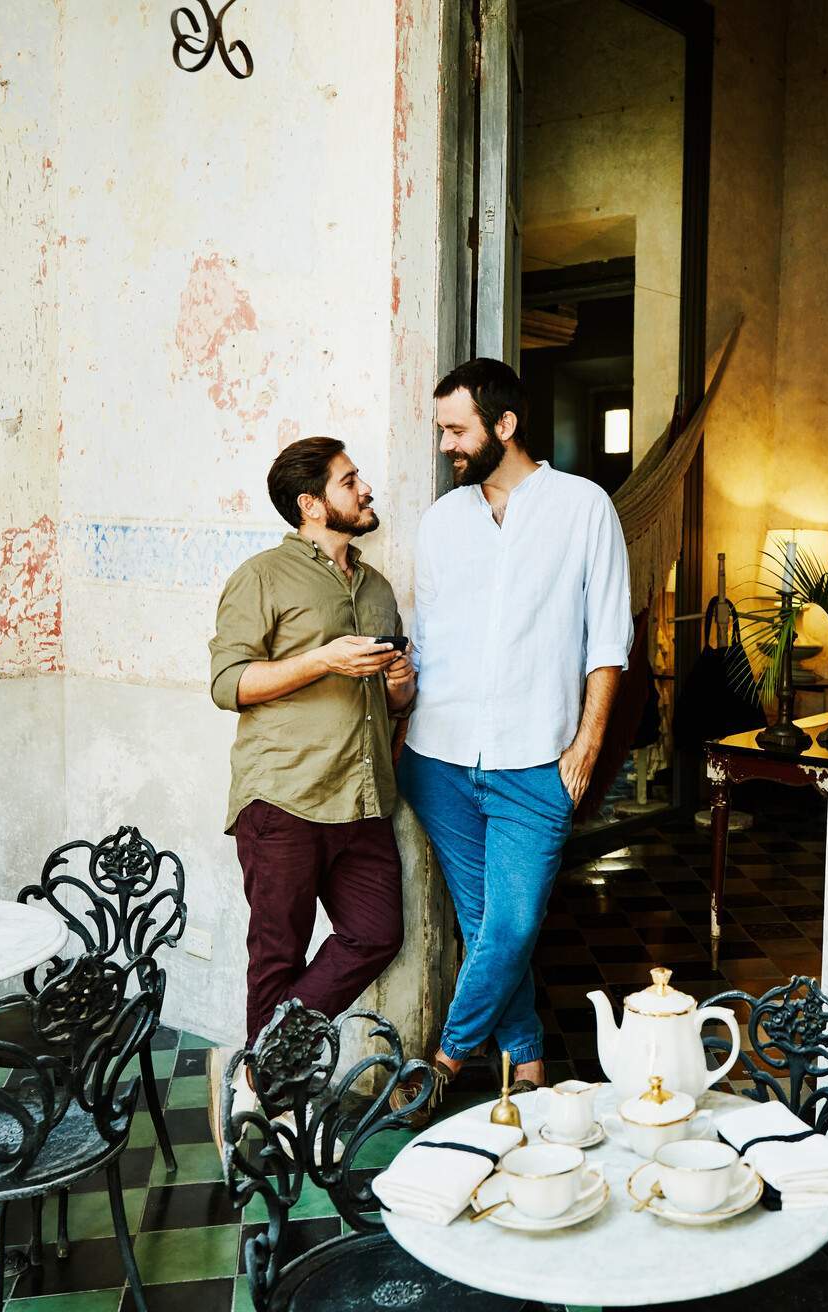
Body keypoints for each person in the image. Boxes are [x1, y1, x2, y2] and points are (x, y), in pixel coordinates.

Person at [394, 357, 631, 1124]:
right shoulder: (441, 522)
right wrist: (397, 692)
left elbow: (608, 640)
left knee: (514, 922)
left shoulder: (583, 506)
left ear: (505, 425)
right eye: (441, 431)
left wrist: (587, 746)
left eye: (457, 430)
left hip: (538, 761)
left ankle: (444, 1060)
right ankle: (526, 1062)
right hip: (438, 758)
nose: (445, 447)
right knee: (486, 924)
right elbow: (426, 643)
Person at [205, 436, 415, 1139]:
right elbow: (228, 684)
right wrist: (320, 659)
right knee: (278, 955)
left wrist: (402, 693)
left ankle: (257, 1068)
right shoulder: (262, 578)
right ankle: (270, 1100)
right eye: (351, 481)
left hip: (363, 799)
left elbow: (386, 701)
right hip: (284, 799)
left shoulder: (379, 589)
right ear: (311, 502)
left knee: (376, 932)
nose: (366, 491)